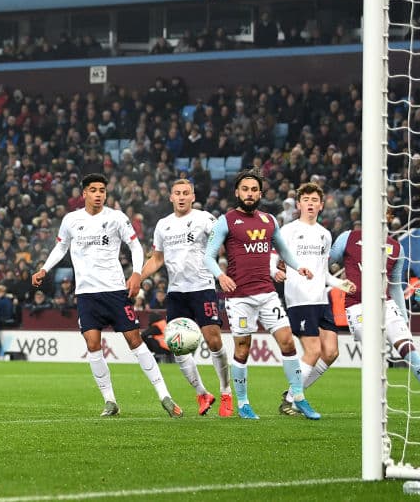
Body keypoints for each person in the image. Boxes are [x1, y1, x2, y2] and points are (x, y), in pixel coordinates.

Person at [31, 172, 184, 418]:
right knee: (93, 345)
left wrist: (136, 274)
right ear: (84, 194)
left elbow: (135, 245)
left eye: (102, 190)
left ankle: (164, 395)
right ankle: (110, 401)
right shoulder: (71, 220)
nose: (99, 194)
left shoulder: (116, 218)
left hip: (114, 291)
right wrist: (44, 269)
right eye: (93, 190)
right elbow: (61, 246)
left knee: (135, 341)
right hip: (86, 294)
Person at [204, 169, 321, 420]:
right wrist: (221, 276)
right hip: (239, 297)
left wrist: (297, 266)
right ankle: (244, 403)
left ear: (260, 193)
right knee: (243, 348)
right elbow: (207, 256)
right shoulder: (225, 220)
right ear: (237, 192)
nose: (249, 194)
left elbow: (283, 249)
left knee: (288, 342)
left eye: (254, 189)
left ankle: (298, 397)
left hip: (267, 293)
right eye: (245, 189)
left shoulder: (269, 220)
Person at [140, 179, 233, 417]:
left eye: (186, 193)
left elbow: (223, 244)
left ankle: (226, 392)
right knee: (178, 346)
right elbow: (157, 259)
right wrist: (137, 277)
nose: (181, 197)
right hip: (176, 293)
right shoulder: (163, 225)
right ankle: (202, 393)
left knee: (213, 341)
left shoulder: (205, 219)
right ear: (170, 197)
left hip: (202, 288)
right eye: (177, 193)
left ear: (193, 197)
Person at [273, 182, 352, 415]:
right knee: (313, 351)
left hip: (321, 300)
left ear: (321, 204)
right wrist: (274, 271)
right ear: (298, 204)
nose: (310, 203)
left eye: (314, 200)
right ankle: (293, 399)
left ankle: (290, 394)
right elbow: (271, 257)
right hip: (299, 299)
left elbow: (324, 273)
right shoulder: (287, 231)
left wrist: (341, 284)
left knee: (331, 353)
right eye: (305, 200)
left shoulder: (325, 235)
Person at [329, 212, 420, 383]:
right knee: (375, 356)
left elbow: (395, 286)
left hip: (386, 305)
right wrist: (338, 283)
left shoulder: (396, 247)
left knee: (411, 353)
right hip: (357, 305)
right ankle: (375, 405)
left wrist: (403, 315)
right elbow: (324, 265)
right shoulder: (348, 237)